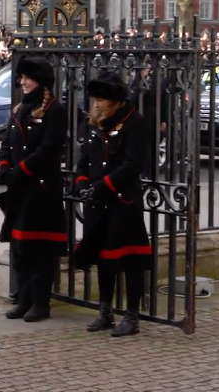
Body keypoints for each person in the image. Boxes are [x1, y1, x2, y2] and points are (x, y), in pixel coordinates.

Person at [74, 71, 151, 337]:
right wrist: (82, 184)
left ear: (115, 100)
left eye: (102, 98)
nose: (96, 103)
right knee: (103, 259)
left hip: (122, 201)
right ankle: (105, 311)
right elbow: (85, 159)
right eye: (95, 97)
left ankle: (132, 316)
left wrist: (103, 187)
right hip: (97, 202)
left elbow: (133, 164)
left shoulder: (135, 122)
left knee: (130, 261)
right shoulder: (94, 123)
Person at [0, 56, 68, 322]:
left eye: (27, 78)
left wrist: (21, 171)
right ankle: (24, 299)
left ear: (41, 81)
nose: (22, 82)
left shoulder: (55, 111)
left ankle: (40, 303)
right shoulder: (19, 109)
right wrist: (4, 167)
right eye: (22, 77)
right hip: (20, 190)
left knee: (40, 251)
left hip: (41, 189)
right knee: (22, 249)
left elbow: (48, 149)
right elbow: (7, 141)